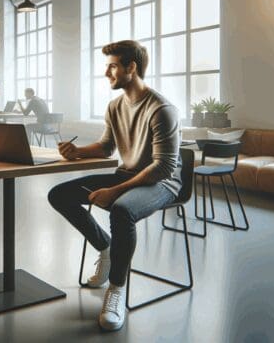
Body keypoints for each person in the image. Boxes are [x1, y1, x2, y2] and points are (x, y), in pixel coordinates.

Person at [48, 40, 180, 332]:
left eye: (112, 67)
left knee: (121, 210)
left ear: (131, 67)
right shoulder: (114, 106)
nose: (106, 73)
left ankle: (117, 288)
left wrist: (115, 191)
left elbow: (164, 167)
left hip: (163, 182)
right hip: (128, 174)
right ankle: (106, 248)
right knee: (59, 195)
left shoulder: (162, 109)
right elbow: (107, 148)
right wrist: (77, 151)